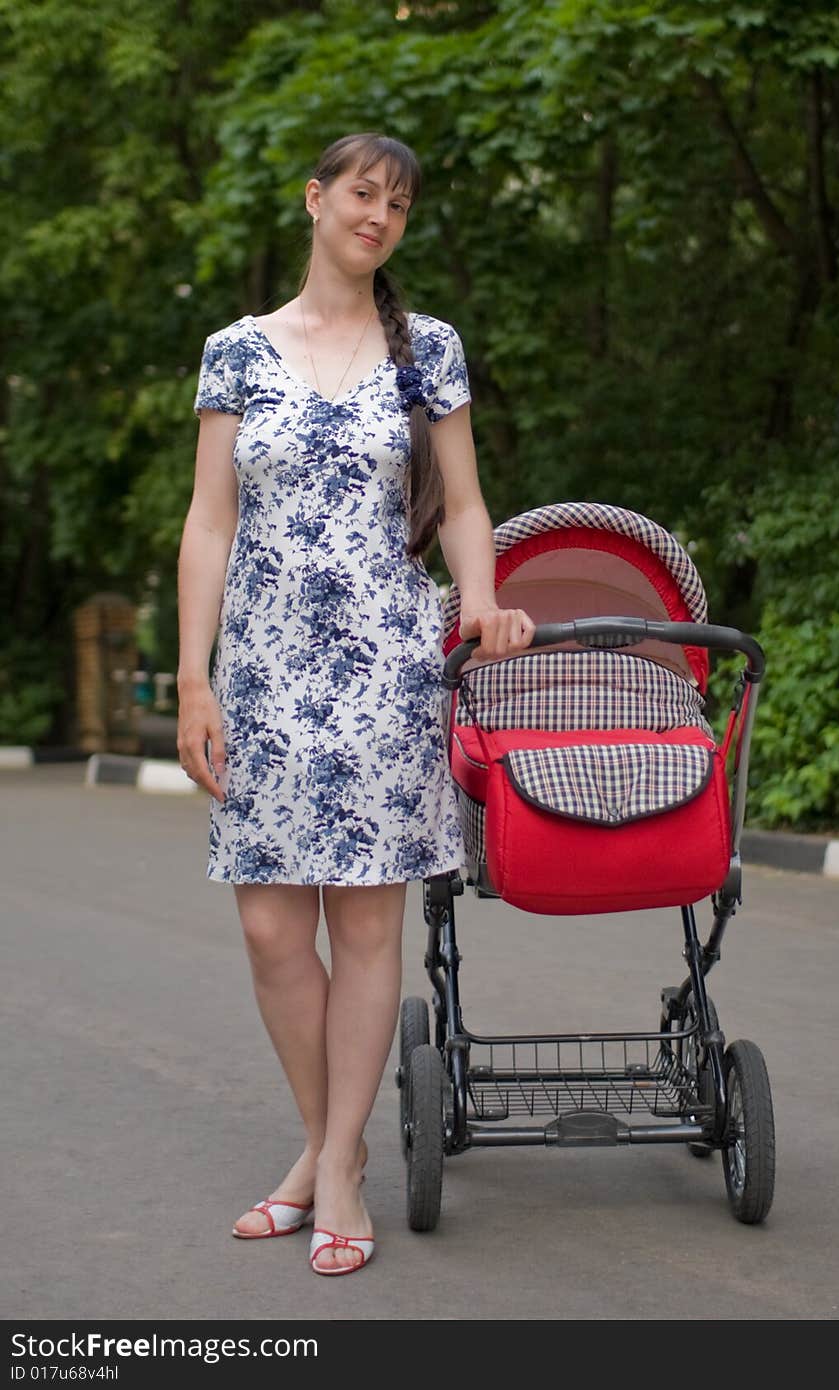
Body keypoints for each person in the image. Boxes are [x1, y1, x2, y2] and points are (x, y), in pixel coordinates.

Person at [176, 132, 535, 1276]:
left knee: (365, 923)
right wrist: (194, 673)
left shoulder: (428, 348)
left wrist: (479, 599)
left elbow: (468, 503)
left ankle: (334, 1165)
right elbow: (209, 523)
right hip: (267, 675)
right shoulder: (236, 351)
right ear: (316, 200)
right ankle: (326, 1148)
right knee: (271, 925)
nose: (380, 214)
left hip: (383, 662)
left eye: (400, 203)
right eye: (362, 193)